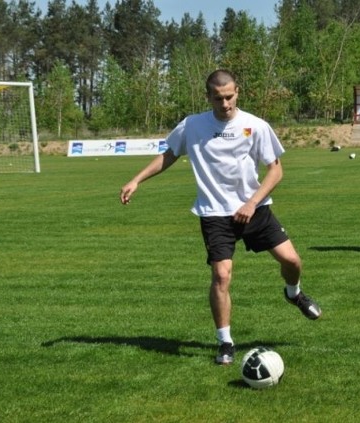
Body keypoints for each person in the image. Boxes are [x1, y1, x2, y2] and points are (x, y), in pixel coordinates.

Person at [120, 69, 321, 365]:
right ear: (208, 97)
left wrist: (252, 203)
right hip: (215, 213)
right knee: (221, 275)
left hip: (255, 210)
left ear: (238, 92)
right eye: (218, 98)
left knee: (292, 261)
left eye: (229, 97)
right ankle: (225, 341)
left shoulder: (256, 125)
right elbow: (169, 154)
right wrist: (136, 180)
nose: (225, 104)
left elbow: (276, 170)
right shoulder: (192, 125)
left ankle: (294, 294)